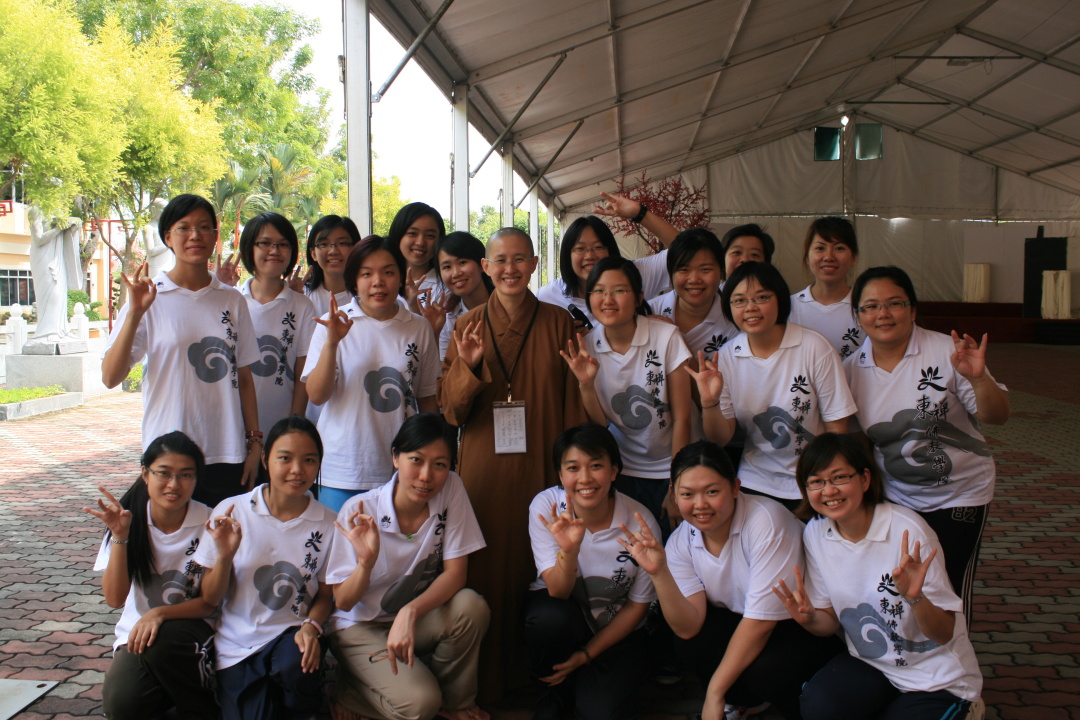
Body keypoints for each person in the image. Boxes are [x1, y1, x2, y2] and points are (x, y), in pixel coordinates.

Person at [439, 227, 587, 698]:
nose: (510, 269)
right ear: (486, 267)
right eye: (500, 260)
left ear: (535, 264)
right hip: (483, 468)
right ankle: (483, 684)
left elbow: (573, 403)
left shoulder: (559, 322)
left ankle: (534, 682)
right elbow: (451, 412)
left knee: (536, 565)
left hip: (541, 463)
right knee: (484, 567)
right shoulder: (467, 325)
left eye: (519, 259)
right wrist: (468, 365)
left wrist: (571, 477)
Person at [620, 441, 841, 720]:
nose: (700, 505)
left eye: (712, 491)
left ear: (735, 487)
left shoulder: (766, 522)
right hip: (747, 619)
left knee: (767, 671)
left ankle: (799, 703)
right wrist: (659, 573)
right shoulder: (680, 541)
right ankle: (746, 701)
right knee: (692, 643)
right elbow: (687, 627)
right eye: (687, 494)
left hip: (804, 626)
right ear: (673, 495)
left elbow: (761, 623)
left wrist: (714, 692)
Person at [774, 433, 983, 719]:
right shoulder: (816, 532)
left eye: (839, 477)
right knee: (819, 705)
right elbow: (829, 622)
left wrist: (916, 599)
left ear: (864, 479)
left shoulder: (907, 531)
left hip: (936, 678)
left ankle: (969, 709)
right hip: (874, 665)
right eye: (816, 482)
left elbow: (944, 633)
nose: (829, 490)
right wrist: (809, 618)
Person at [845, 266, 1008, 616]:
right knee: (905, 586)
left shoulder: (947, 351)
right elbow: (857, 439)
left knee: (950, 585)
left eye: (895, 303)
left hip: (960, 493)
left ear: (913, 309)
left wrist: (979, 379)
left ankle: (957, 650)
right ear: (857, 316)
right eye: (870, 306)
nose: (883, 314)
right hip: (897, 497)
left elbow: (997, 416)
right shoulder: (850, 370)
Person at [325, 413, 489, 720]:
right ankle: (350, 692)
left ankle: (454, 704)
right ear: (395, 457)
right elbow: (343, 602)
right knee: (419, 704)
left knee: (471, 607)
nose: (426, 476)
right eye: (416, 460)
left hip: (412, 620)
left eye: (440, 464)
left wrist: (409, 612)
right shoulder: (361, 510)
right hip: (360, 626)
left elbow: (456, 574)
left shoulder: (451, 488)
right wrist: (366, 563)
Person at [102, 194, 261, 508]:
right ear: (168, 237)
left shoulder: (232, 299)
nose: (195, 235)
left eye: (204, 227)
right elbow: (110, 377)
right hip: (167, 451)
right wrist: (134, 313)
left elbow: (244, 377)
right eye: (184, 228)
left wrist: (255, 442)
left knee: (222, 536)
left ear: (215, 236)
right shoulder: (149, 297)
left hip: (225, 449)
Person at [195, 416, 336, 720]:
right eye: (285, 458)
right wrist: (224, 557)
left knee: (296, 669)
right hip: (237, 645)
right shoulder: (232, 511)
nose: (297, 469)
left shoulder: (328, 522)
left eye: (309, 460)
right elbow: (210, 597)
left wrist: (311, 627)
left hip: (293, 635)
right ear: (265, 459)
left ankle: (305, 703)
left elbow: (326, 594)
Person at [691, 261, 856, 508]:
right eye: (739, 300)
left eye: (762, 297)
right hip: (757, 479)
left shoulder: (814, 347)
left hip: (815, 477)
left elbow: (837, 429)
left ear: (779, 298)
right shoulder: (725, 358)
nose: (751, 308)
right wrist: (710, 402)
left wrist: (820, 482)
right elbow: (720, 439)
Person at [525, 423, 660, 720]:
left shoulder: (640, 522)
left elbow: (637, 607)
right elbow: (558, 591)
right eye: (573, 468)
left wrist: (586, 655)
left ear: (614, 471)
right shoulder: (547, 507)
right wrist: (570, 551)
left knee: (601, 714)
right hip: (566, 617)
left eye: (596, 466)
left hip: (616, 630)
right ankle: (551, 696)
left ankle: (586, 682)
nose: (585, 478)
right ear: (561, 475)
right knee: (548, 618)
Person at [302, 235, 440, 512]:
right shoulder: (333, 323)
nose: (378, 282)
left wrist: (432, 455)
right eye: (366, 274)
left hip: (402, 469)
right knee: (343, 540)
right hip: (342, 467)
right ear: (354, 281)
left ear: (400, 278)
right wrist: (332, 343)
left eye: (388, 272)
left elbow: (427, 399)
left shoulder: (418, 327)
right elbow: (316, 395)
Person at [86, 431, 217, 720]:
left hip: (197, 629)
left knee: (165, 642)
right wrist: (120, 536)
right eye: (164, 473)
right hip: (139, 634)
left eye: (185, 475)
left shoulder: (210, 522)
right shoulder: (126, 520)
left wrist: (158, 614)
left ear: (196, 479)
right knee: (122, 706)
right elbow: (114, 599)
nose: (174, 484)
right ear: (145, 474)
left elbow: (210, 603)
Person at [562, 257, 691, 528]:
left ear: (639, 297)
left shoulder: (666, 337)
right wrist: (586, 384)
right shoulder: (587, 347)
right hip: (622, 469)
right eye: (598, 291)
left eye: (619, 290)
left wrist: (677, 483)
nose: (608, 299)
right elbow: (600, 425)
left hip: (671, 467)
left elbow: (682, 418)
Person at [536, 193, 678, 330]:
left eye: (598, 247)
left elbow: (685, 250)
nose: (590, 255)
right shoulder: (549, 296)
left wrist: (639, 213)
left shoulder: (634, 275)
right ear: (567, 255)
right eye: (580, 248)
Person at [237, 212, 317, 434]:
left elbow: (303, 373)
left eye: (283, 244)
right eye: (265, 243)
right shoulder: (233, 301)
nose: (274, 251)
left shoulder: (302, 306)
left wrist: (293, 426)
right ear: (249, 248)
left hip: (281, 427)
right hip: (234, 425)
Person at [788, 217, 862, 359]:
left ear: (853, 257)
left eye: (839, 248)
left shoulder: (866, 306)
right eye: (820, 248)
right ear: (807, 257)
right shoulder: (788, 307)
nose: (829, 257)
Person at [421, 231, 493, 360]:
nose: (456, 273)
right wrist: (435, 333)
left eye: (462, 262)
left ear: (483, 265)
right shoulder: (449, 316)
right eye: (447, 267)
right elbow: (445, 367)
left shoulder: (505, 304)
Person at [26, 207, 82, 345]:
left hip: (57, 257)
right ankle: (47, 331)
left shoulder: (58, 211)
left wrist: (73, 227)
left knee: (60, 294)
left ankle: (62, 329)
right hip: (44, 258)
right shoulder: (35, 210)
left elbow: (66, 233)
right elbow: (39, 239)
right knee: (52, 294)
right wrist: (60, 228)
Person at [389, 202, 445, 310]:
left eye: (430, 236)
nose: (420, 242)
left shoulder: (444, 286)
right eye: (412, 233)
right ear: (398, 234)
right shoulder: (383, 281)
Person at [304, 215, 360, 318]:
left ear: (356, 248)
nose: (333, 251)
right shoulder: (303, 294)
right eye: (324, 244)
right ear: (313, 254)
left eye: (342, 243)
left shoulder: (368, 294)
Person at [718, 224, 774, 290]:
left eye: (754, 255)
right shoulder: (711, 295)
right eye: (737, 252)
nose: (745, 259)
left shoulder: (777, 295)